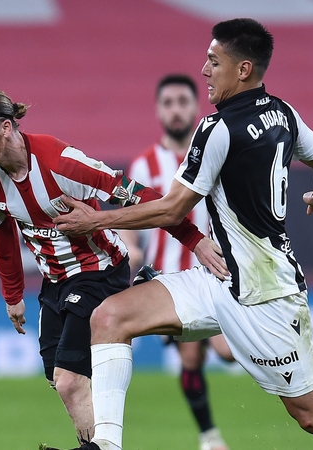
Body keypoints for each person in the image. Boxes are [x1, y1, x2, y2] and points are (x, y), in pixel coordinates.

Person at [42, 18, 313, 450]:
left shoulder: (216, 128)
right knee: (108, 317)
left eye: (213, 61)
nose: (204, 70)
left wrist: (95, 221)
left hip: (266, 294)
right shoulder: (285, 113)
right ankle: (105, 446)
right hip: (220, 277)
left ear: (243, 69)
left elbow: (173, 208)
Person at [0, 86, 222, 446]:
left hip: (99, 271)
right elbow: (0, 234)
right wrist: (12, 294)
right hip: (54, 283)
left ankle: (137, 304)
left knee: (70, 379)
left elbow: (140, 195)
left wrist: (195, 240)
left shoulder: (60, 162)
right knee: (61, 379)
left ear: (5, 128)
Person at [117, 73, 235, 450]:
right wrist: (130, 251)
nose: (176, 110)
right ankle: (210, 437)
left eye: (183, 102)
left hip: (216, 272)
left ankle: (210, 435)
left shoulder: (215, 156)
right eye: (168, 103)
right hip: (169, 280)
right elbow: (129, 226)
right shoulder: (143, 166)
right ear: (158, 111)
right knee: (190, 355)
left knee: (229, 355)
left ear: (196, 107)